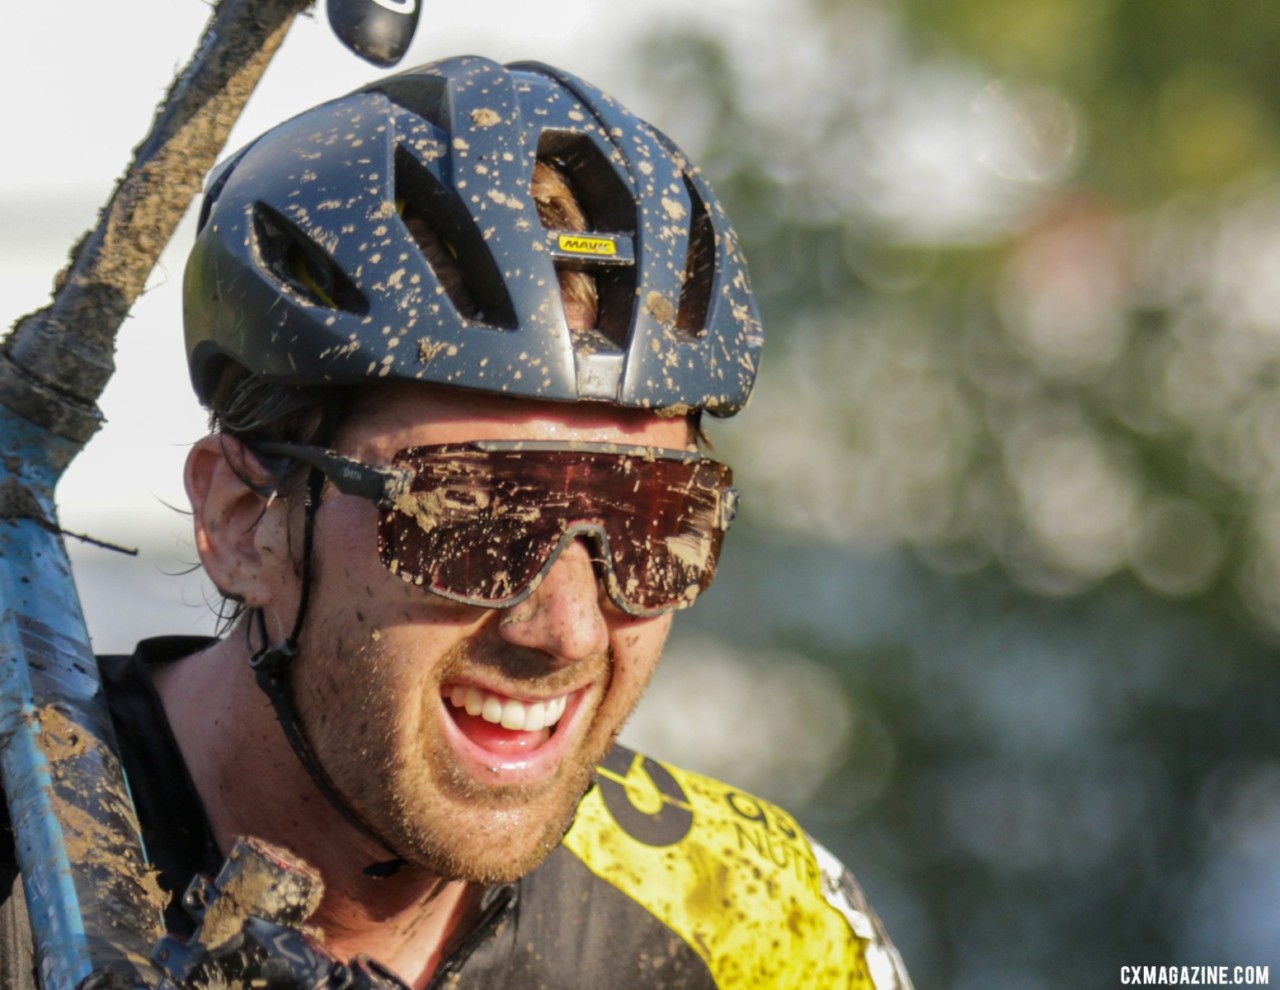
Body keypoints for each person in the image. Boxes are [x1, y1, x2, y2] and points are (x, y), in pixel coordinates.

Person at [2, 55, 912, 989]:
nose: (566, 628)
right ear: (246, 523)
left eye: (651, 520)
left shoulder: (758, 920)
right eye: (472, 516)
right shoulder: (23, 882)